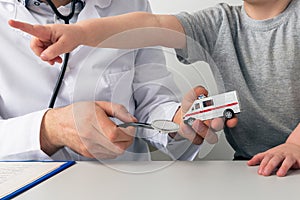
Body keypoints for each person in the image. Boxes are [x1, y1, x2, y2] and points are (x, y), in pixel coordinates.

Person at [9, 0, 300, 176]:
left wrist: (295, 145)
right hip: (249, 167)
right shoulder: (219, 22)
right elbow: (151, 24)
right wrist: (80, 33)